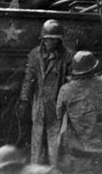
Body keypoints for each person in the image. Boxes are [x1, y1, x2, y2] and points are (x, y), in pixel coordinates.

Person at [18, 19, 74, 166]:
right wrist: (24, 100)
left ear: (59, 41)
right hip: (39, 106)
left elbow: (71, 83)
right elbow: (29, 78)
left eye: (54, 40)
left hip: (57, 106)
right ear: (43, 39)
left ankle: (54, 170)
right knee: (36, 142)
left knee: (55, 144)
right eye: (47, 40)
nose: (50, 43)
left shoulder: (67, 56)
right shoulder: (35, 54)